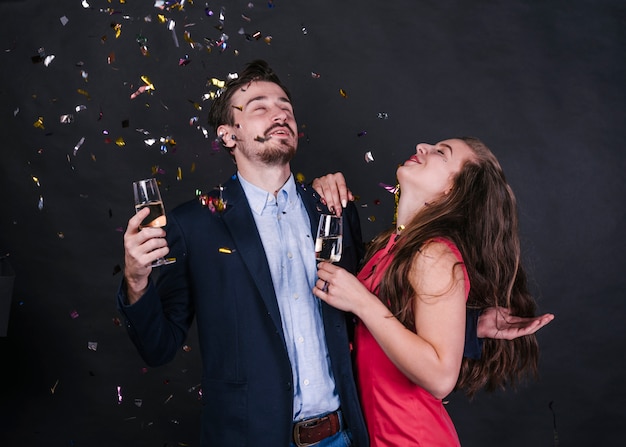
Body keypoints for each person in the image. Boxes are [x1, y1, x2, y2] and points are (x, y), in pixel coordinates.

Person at [118, 60, 552, 447]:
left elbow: (366, 307)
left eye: (284, 104)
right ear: (228, 135)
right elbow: (159, 347)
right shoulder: (192, 224)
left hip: (343, 435)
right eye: (258, 106)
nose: (279, 112)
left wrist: (469, 324)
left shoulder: (334, 209)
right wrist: (137, 281)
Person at [312, 137, 554, 446]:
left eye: (442, 153)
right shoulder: (389, 248)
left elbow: (440, 377)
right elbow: (383, 334)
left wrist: (362, 302)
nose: (423, 146)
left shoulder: (434, 254)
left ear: (452, 189)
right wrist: (322, 196)